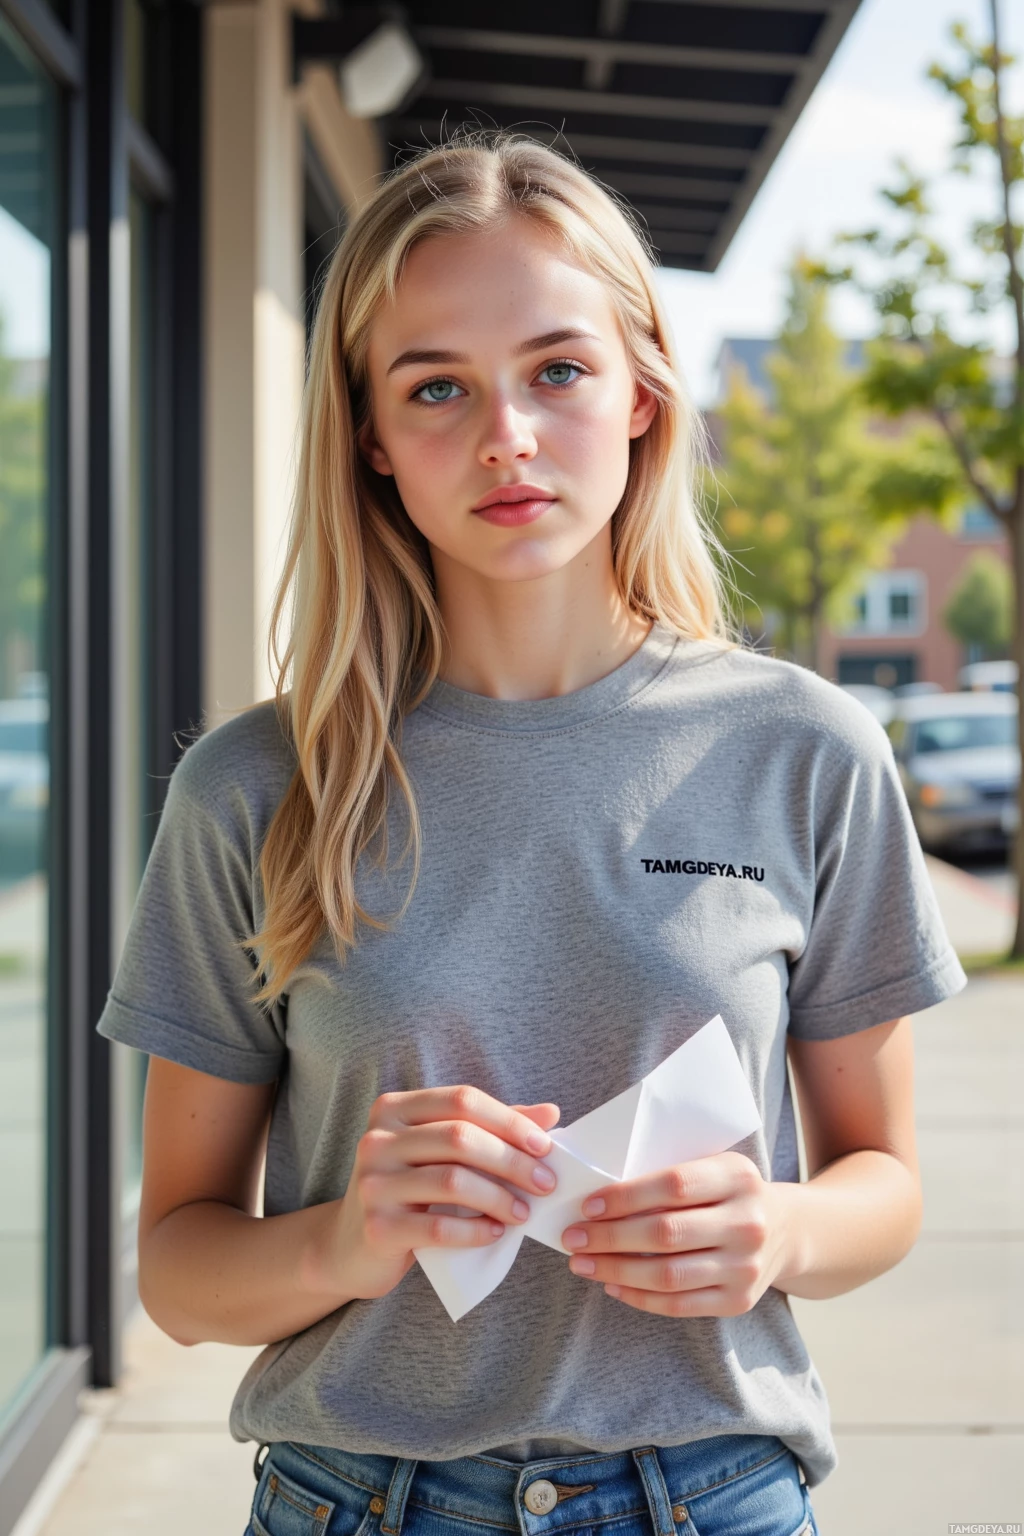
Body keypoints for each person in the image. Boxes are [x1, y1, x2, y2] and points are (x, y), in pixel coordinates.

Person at [96, 133, 966, 1536]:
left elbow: (889, 1186)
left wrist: (779, 1230)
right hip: (355, 1500)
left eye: (558, 370)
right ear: (371, 438)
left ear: (642, 394)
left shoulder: (807, 751)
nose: (505, 433)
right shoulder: (255, 789)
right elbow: (179, 1275)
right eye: (436, 386)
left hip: (716, 1493)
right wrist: (344, 1239)